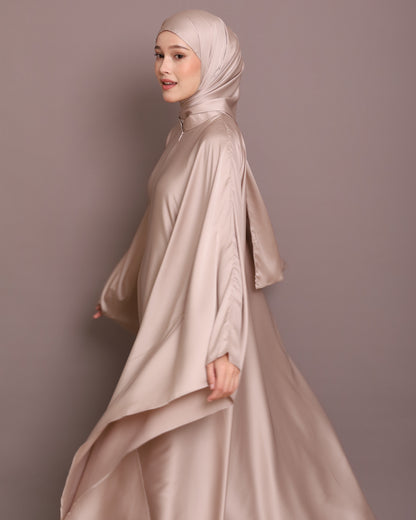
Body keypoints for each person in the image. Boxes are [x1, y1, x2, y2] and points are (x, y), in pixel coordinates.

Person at [60, 9, 376, 519]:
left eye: (178, 56)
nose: (164, 67)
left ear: (213, 61)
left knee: (186, 443)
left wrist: (226, 344)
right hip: (175, 308)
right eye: (159, 55)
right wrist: (118, 287)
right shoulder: (183, 134)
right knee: (201, 448)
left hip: (205, 317)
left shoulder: (220, 141)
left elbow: (229, 243)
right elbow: (157, 221)